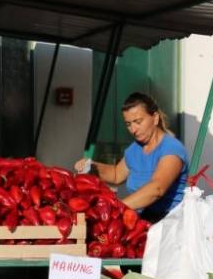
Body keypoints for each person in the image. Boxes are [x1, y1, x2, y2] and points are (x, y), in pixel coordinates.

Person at [74, 92, 188, 223]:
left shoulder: (171, 148)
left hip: (169, 224)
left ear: (155, 118)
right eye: (128, 124)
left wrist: (117, 207)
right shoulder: (134, 149)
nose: (133, 129)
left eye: (138, 122)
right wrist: (92, 167)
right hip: (140, 222)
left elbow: (157, 188)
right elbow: (117, 174)